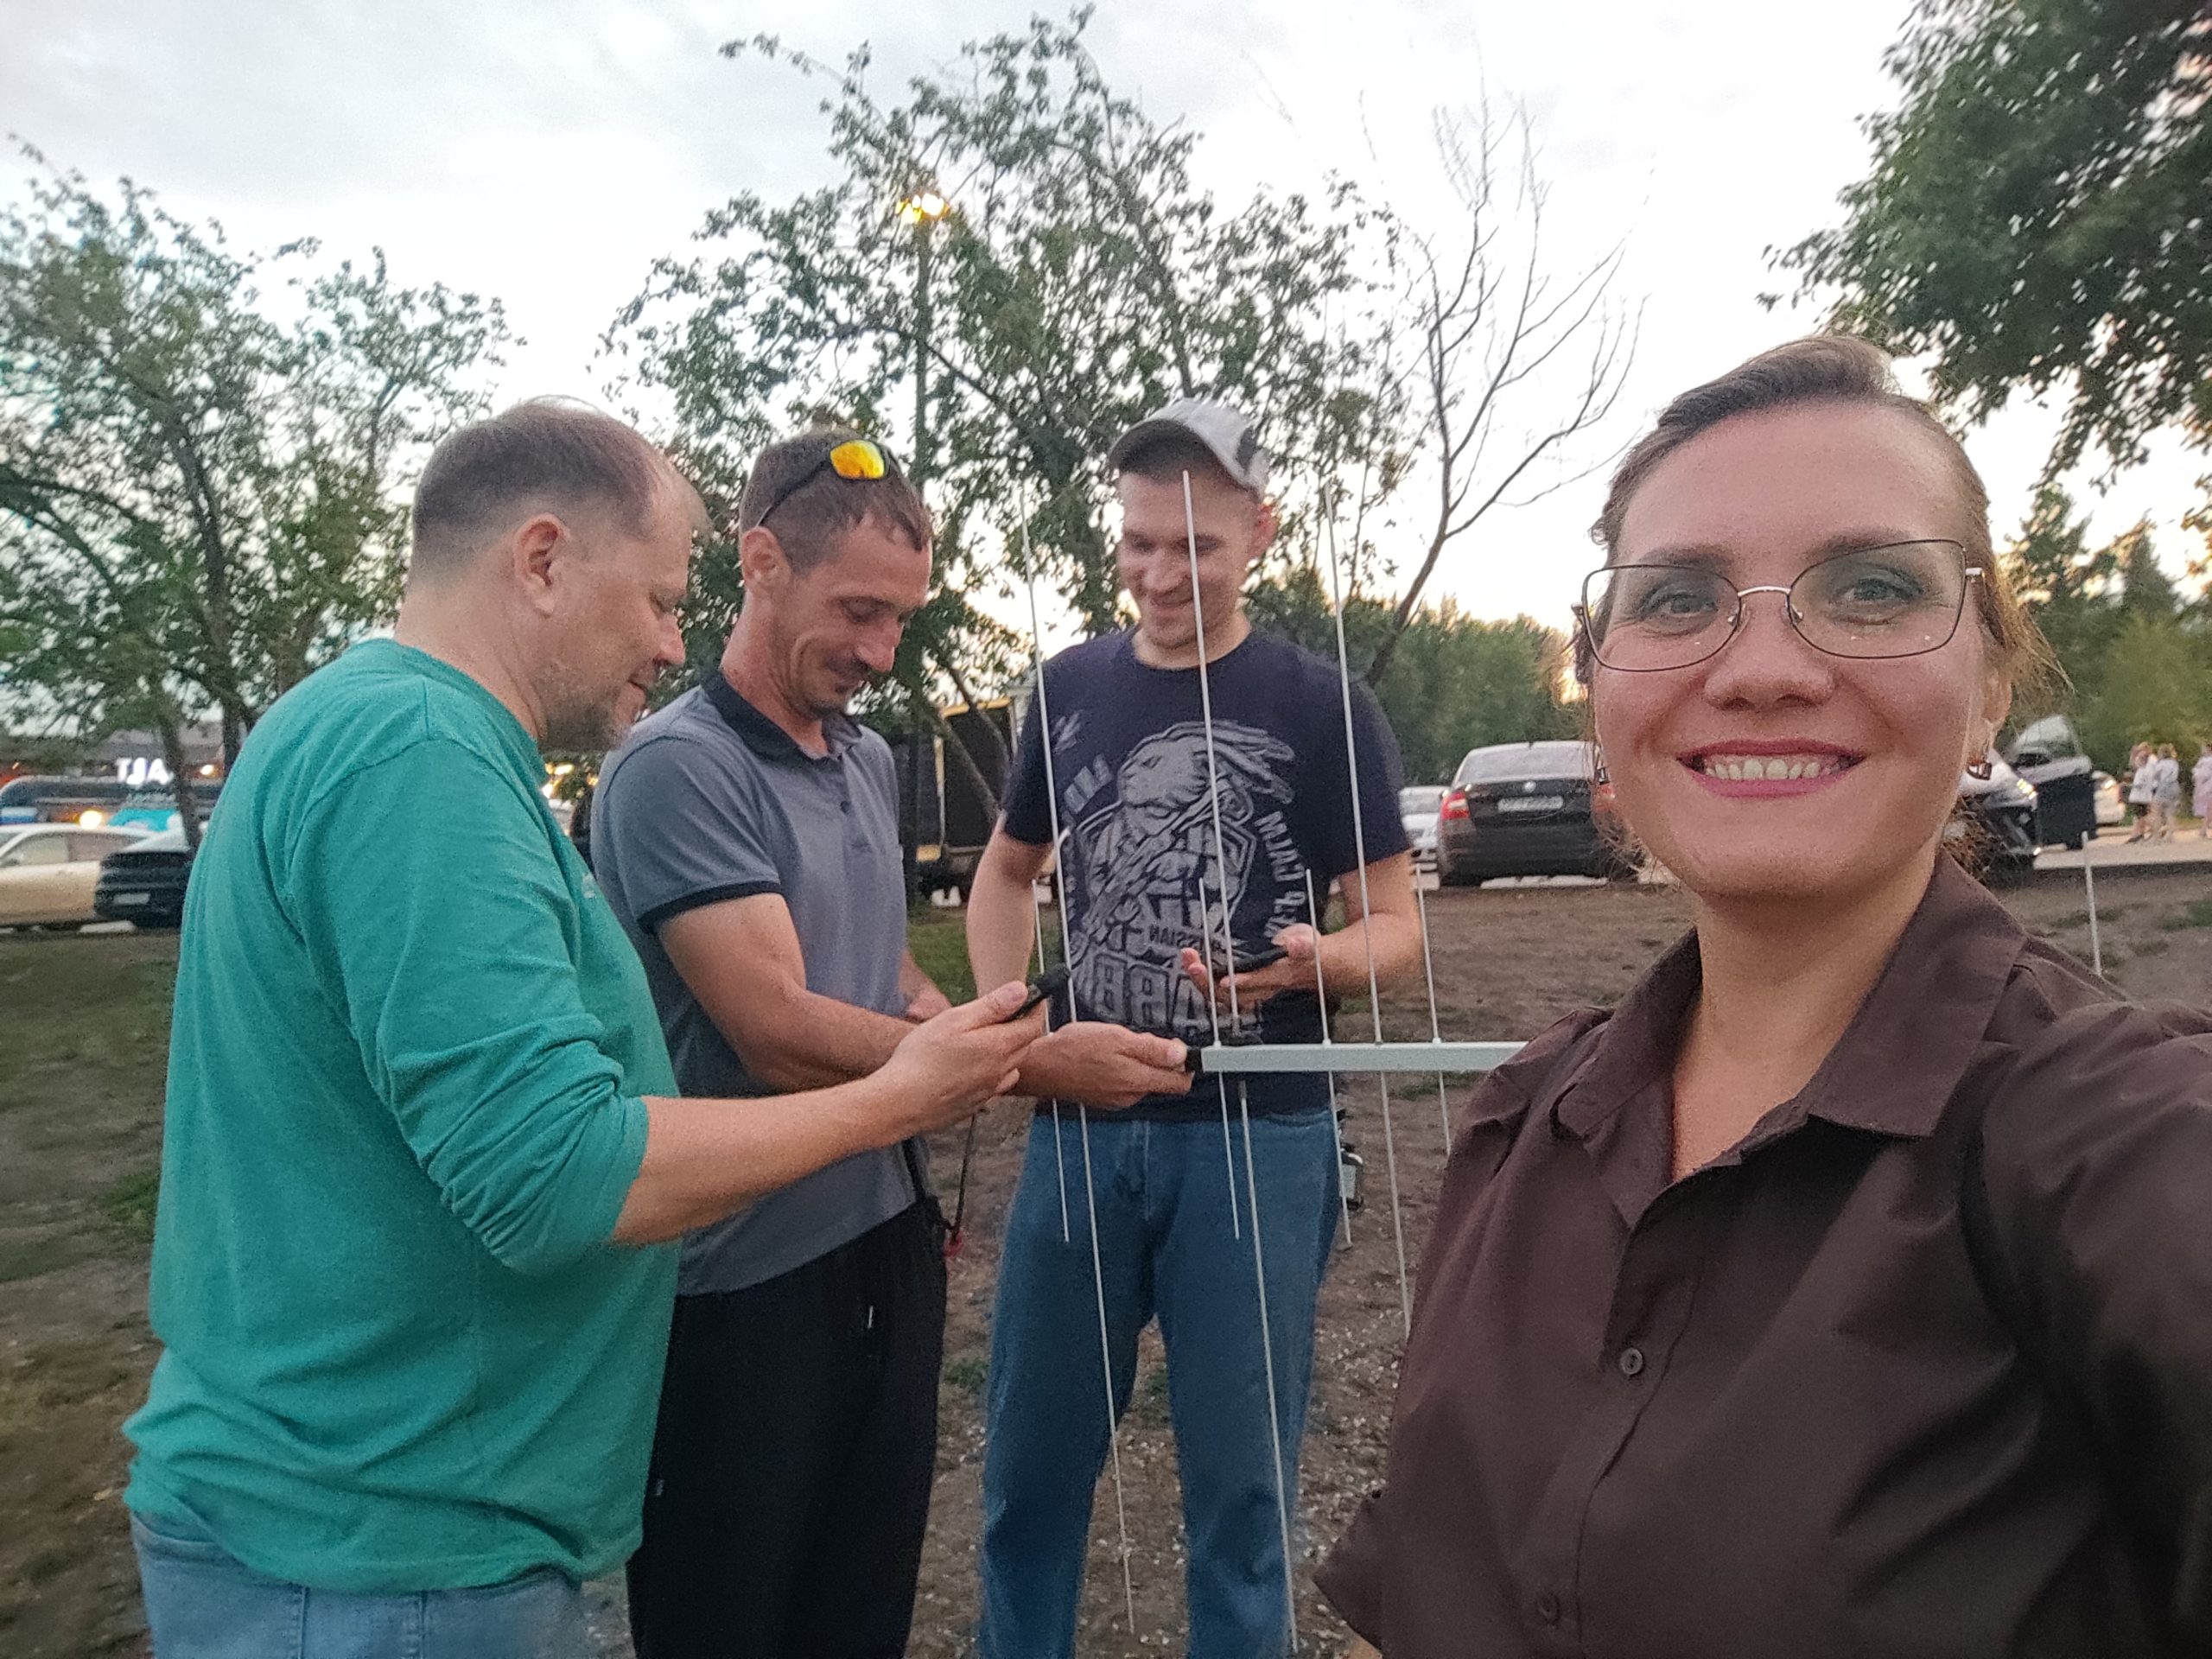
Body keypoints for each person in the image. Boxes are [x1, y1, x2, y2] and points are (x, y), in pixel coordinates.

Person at [1317, 338, 2212, 1657]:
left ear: (1989, 693)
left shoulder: (2122, 1144)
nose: (1762, 668)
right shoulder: (1526, 1122)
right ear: (1601, 684)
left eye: (1871, 588)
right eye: (1680, 598)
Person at [121, 400, 1041, 1659]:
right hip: (383, 1550)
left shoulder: (382, 729)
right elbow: (554, 1172)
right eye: (659, 598)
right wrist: (898, 1098)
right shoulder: (418, 754)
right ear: (543, 560)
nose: (669, 640)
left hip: (390, 1525)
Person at [967, 398, 1422, 1659]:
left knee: (1243, 1498)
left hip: (1259, 1141)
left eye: (1196, 548)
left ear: (1259, 533)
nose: (1161, 575)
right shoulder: (1067, 688)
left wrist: (1318, 961)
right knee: (1027, 1479)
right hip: (1078, 1130)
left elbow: (1397, 925)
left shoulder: (1321, 704)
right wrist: (1008, 1027)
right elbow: (1004, 873)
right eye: (1138, 545)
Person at [591, 429, 982, 1657]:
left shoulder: (863, 758)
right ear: (760, 561)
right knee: (728, 1620)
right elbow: (775, 1029)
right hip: (738, 1281)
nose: (881, 651)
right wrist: (1003, 1067)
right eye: (858, 611)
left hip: (885, 1238)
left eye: (901, 619)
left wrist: (973, 1023)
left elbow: (881, 969)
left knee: (861, 1609)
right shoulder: (678, 767)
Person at [2149, 741, 2182, 841]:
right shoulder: (2174, 763)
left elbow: (2154, 775)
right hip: (2174, 787)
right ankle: (2170, 834)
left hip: (2163, 788)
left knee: (2156, 811)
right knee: (2170, 813)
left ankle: (2156, 835)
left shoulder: (2161, 764)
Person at [2125, 740, 2156, 840]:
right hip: (2144, 796)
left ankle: (2155, 829)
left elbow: (2139, 784)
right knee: (2140, 816)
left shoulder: (2143, 771)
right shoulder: (2144, 770)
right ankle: (2138, 834)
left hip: (2140, 797)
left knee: (2142, 816)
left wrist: (2130, 785)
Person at [2193, 741, 2211, 836]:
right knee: (2209, 809)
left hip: (2207, 786)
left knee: (2209, 809)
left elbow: (2200, 773)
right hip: (2206, 787)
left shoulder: (2206, 761)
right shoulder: (2203, 760)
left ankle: (2203, 830)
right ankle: (2203, 830)